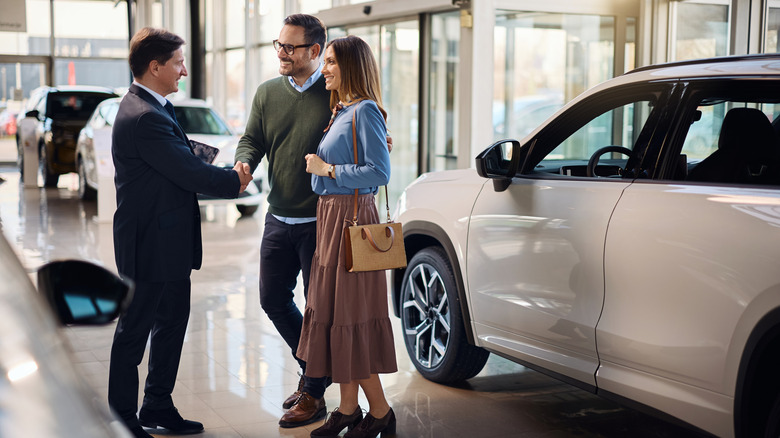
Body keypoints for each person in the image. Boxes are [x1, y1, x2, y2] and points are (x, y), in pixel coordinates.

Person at [109, 27, 253, 438]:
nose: (184, 71)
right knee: (134, 332)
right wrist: (232, 180)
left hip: (167, 240)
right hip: (148, 244)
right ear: (155, 67)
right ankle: (122, 419)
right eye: (178, 63)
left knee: (171, 323)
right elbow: (186, 170)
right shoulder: (144, 115)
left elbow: (179, 156)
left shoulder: (155, 105)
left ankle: (157, 405)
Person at [232, 14, 333, 428]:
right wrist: (244, 162)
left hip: (319, 222)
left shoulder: (334, 93)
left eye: (290, 47)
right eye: (279, 44)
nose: (281, 53)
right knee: (272, 298)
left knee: (317, 309)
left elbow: (367, 131)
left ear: (315, 51)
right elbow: (253, 137)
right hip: (278, 216)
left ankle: (313, 391)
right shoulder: (267, 92)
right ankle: (314, 375)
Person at [300, 35, 398, 438]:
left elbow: (380, 173)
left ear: (352, 66)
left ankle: (376, 412)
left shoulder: (365, 112)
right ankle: (350, 408)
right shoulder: (344, 111)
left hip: (351, 221)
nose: (324, 68)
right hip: (333, 221)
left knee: (350, 318)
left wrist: (327, 170)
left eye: (330, 62)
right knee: (338, 317)